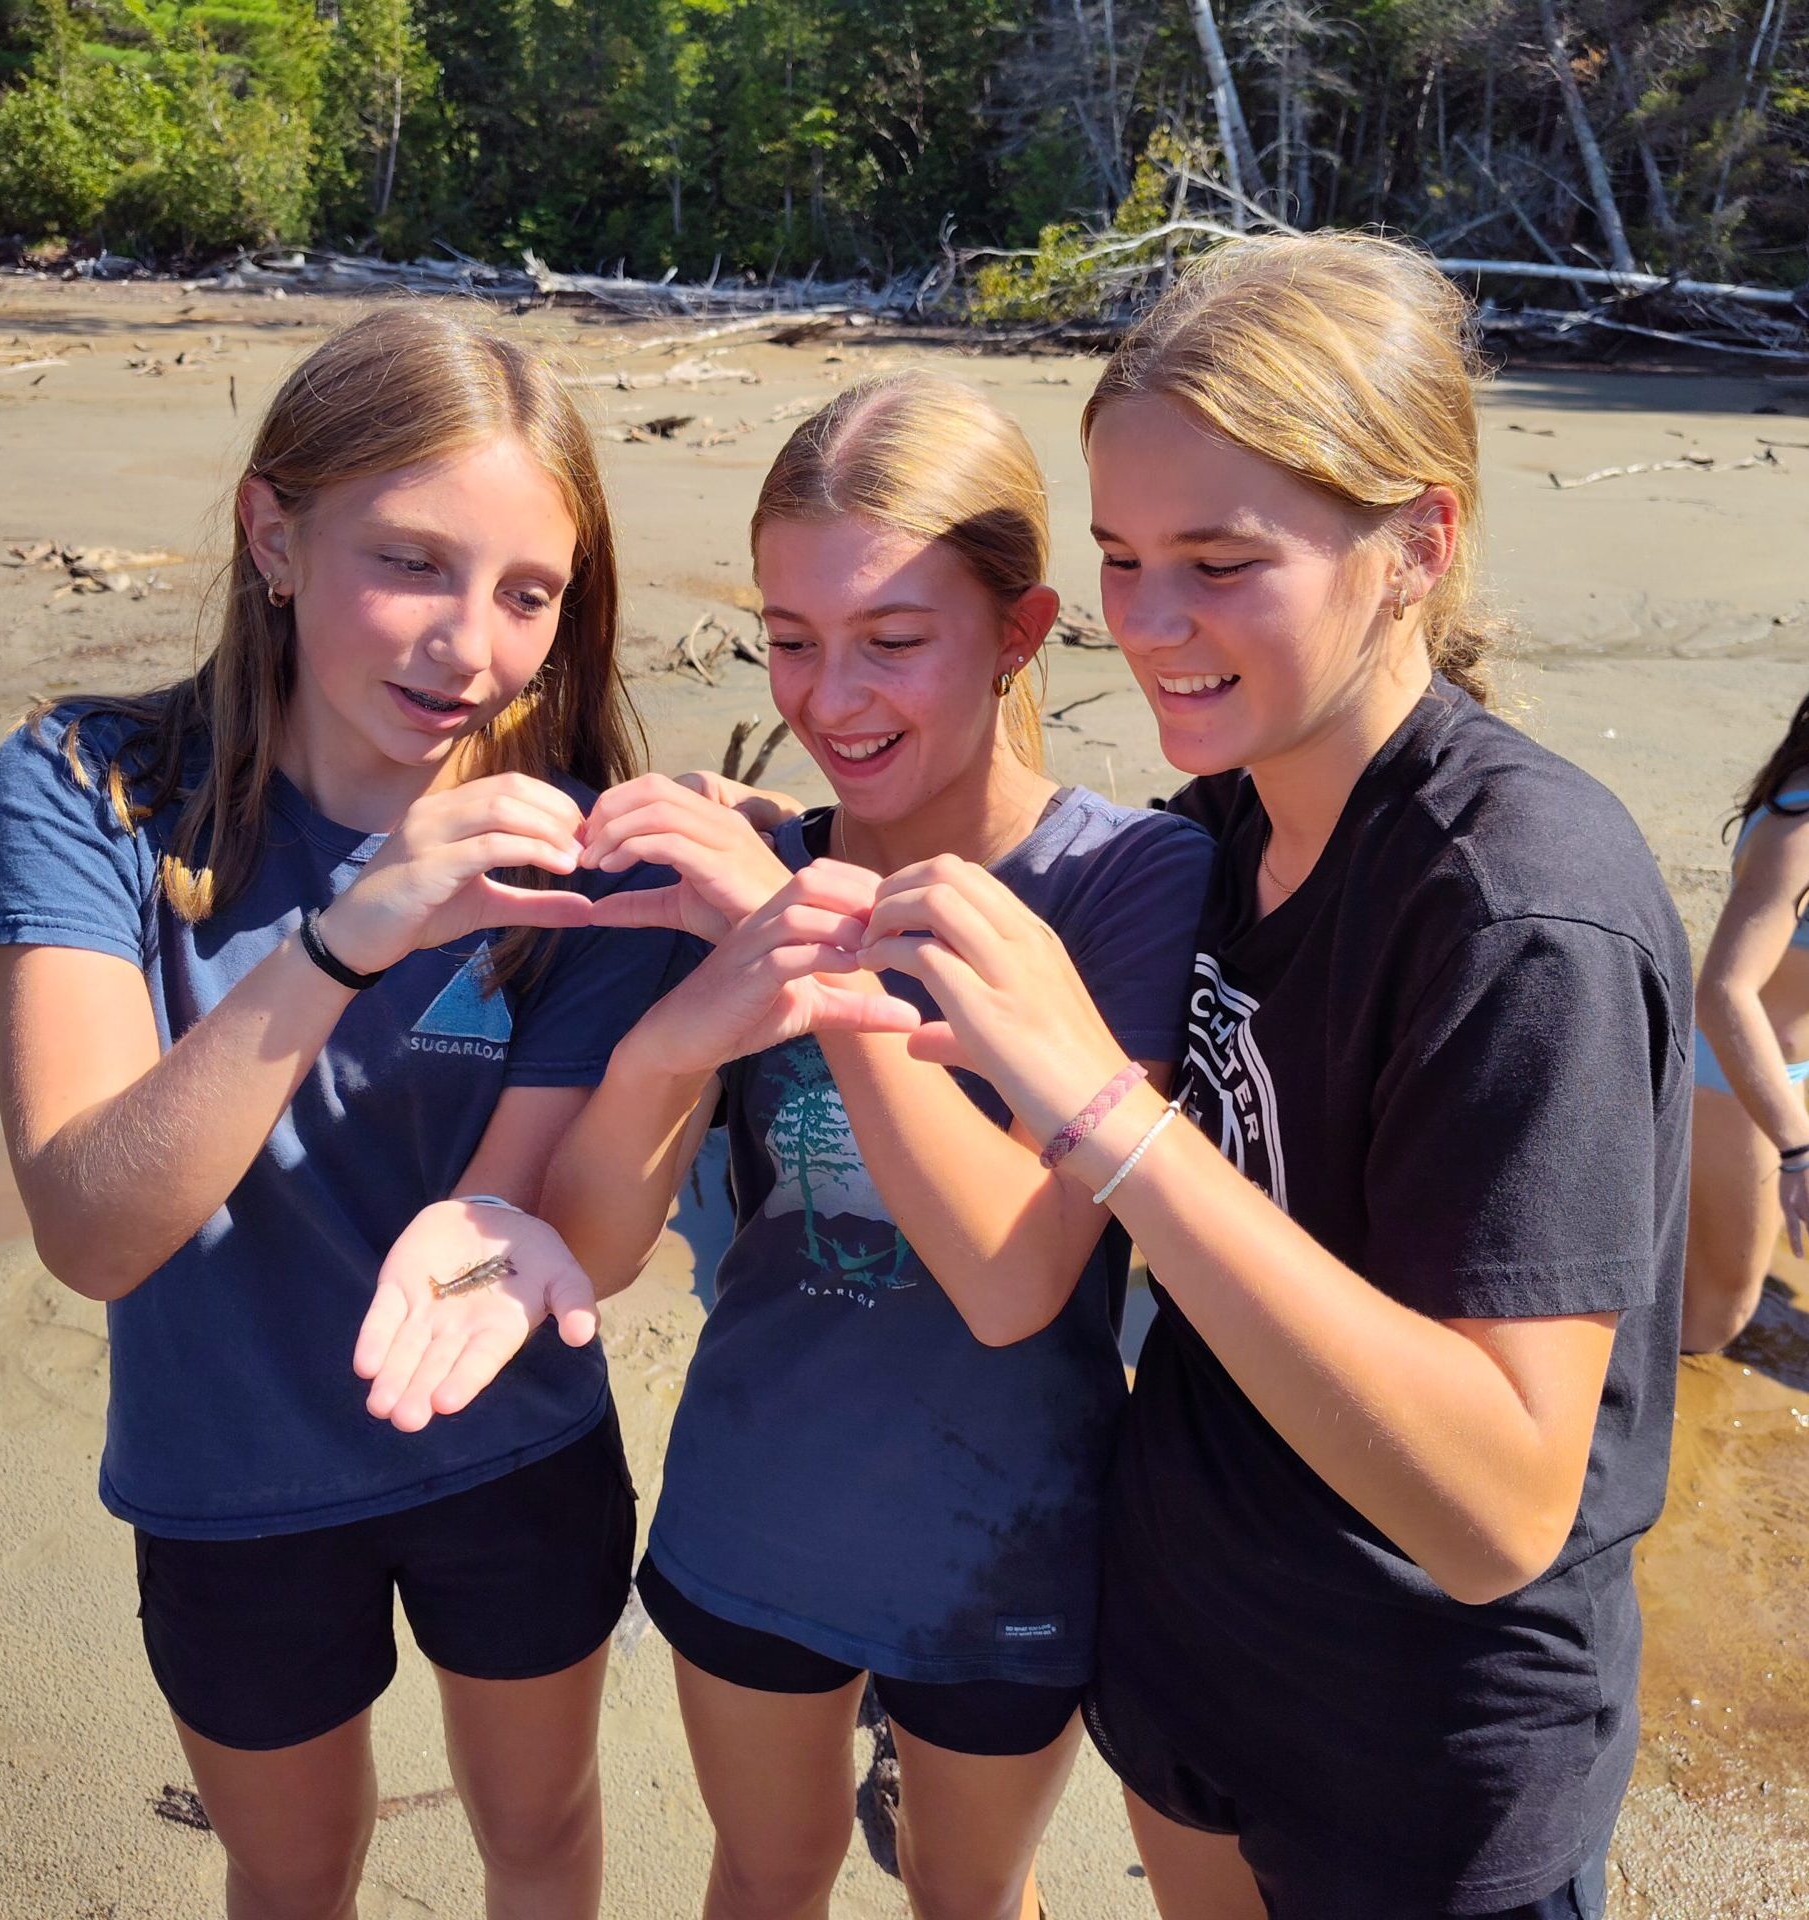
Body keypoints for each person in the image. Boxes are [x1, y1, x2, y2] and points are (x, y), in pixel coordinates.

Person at [834, 236, 1689, 1919]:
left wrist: (1110, 1117)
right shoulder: (1215, 832)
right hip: (1193, 1655)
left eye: (1220, 563)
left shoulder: (1519, 910)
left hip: (1422, 1747)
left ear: (1417, 543)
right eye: (1123, 559)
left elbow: (1502, 1508)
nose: (1148, 628)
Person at [359, 373, 1213, 1920]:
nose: (832, 700)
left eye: (895, 641)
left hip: (1016, 1534)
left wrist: (796, 953)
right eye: (792, 639)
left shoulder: (1130, 879)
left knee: (972, 1893)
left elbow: (1016, 1281)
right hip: (756, 1513)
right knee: (766, 1872)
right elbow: (602, 1246)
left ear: (1021, 634)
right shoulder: (757, 864)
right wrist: (682, 1015)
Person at [0, 306, 684, 1920]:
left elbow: (546, 1203)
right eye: (412, 563)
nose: (469, 647)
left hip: (511, 1446)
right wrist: (352, 932)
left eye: (527, 592)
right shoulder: (92, 790)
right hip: (229, 1474)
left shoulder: (582, 854)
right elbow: (91, 1221)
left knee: (544, 1837)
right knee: (292, 1875)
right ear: (273, 533)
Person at [1683, 695, 1809, 1350]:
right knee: (1711, 1321)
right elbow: (1725, 992)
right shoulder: (1802, 826)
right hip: (1736, 1077)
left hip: (1788, 1072)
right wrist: (1798, 1146)